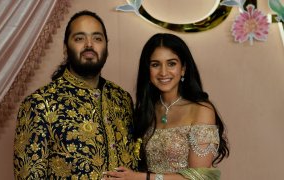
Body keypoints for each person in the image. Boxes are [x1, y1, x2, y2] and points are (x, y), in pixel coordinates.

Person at [13, 10, 138, 179]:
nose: (89, 44)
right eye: (79, 38)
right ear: (65, 48)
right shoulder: (40, 103)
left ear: (106, 47)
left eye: (97, 38)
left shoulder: (121, 99)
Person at [103, 33, 229, 180]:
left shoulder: (201, 110)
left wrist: (141, 178)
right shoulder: (146, 111)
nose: (163, 72)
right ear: (147, 70)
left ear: (183, 69)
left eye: (171, 63)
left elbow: (200, 177)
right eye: (155, 64)